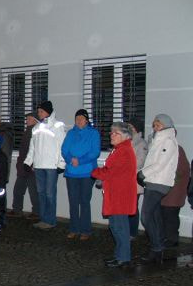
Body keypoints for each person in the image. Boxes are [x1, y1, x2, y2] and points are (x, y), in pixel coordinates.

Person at [92, 123, 138, 268]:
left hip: (120, 196)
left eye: (115, 133)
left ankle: (124, 258)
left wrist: (94, 171)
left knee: (120, 228)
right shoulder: (119, 149)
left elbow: (109, 171)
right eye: (111, 132)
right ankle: (119, 255)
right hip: (116, 194)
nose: (111, 135)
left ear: (124, 136)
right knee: (115, 227)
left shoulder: (123, 151)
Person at [139, 114, 179, 264]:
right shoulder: (157, 139)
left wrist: (142, 173)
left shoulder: (168, 141)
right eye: (154, 125)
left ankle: (156, 247)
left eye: (158, 125)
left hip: (158, 182)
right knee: (155, 216)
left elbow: (160, 163)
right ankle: (158, 248)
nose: (155, 127)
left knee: (146, 216)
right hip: (152, 180)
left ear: (166, 125)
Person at [24, 100, 66, 230]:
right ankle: (43, 219)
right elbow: (32, 147)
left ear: (48, 112)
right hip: (39, 165)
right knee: (41, 193)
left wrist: (61, 163)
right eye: (39, 111)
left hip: (51, 166)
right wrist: (28, 162)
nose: (39, 113)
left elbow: (62, 146)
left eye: (41, 111)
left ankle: (50, 220)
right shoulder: (36, 128)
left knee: (49, 194)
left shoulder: (58, 126)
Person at [61, 109, 100, 240]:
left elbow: (95, 152)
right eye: (77, 118)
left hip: (87, 173)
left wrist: (80, 160)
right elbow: (64, 149)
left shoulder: (93, 133)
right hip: (72, 173)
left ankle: (85, 230)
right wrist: (70, 159)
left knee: (84, 202)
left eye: (81, 118)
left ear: (87, 120)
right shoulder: (71, 133)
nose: (78, 120)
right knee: (73, 202)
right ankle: (74, 228)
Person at [8, 112, 40, 220]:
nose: (27, 120)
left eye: (30, 119)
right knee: (19, 189)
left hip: (30, 167)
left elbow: (34, 150)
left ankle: (35, 212)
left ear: (35, 120)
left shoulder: (35, 132)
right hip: (24, 166)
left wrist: (31, 164)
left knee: (32, 190)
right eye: (27, 119)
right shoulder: (28, 132)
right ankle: (18, 210)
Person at [160, 144, 189, 251]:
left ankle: (172, 239)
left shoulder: (177, 149)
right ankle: (166, 238)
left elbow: (182, 170)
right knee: (165, 214)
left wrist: (168, 177)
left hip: (174, 189)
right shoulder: (166, 147)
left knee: (170, 214)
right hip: (167, 188)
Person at [127, 122, 148, 239]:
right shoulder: (125, 140)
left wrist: (124, 163)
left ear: (136, 128)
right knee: (125, 207)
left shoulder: (141, 143)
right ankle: (125, 230)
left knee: (132, 207)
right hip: (124, 180)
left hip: (134, 181)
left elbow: (140, 162)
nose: (129, 128)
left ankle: (132, 232)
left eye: (131, 126)